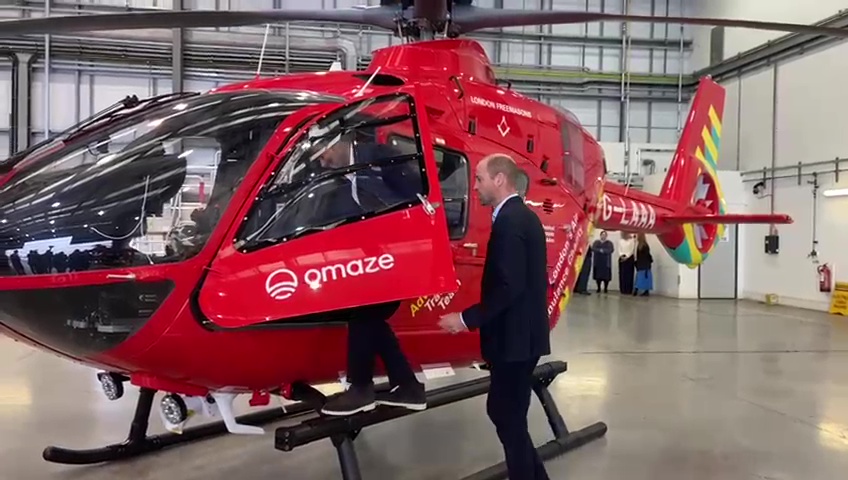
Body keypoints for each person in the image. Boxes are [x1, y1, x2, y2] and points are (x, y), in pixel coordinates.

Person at [439, 153, 551, 480]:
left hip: (514, 341)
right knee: (507, 416)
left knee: (507, 417)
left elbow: (508, 286)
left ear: (499, 179)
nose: (475, 187)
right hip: (521, 339)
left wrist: (466, 319)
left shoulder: (512, 220)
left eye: (479, 179)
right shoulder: (519, 217)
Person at [320, 133, 427, 416]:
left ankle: (361, 388)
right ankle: (408, 387)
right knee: (370, 317)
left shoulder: (380, 157)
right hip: (365, 260)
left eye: (324, 153)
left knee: (363, 313)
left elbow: (418, 195)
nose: (323, 161)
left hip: (394, 255)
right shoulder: (336, 178)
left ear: (339, 143)